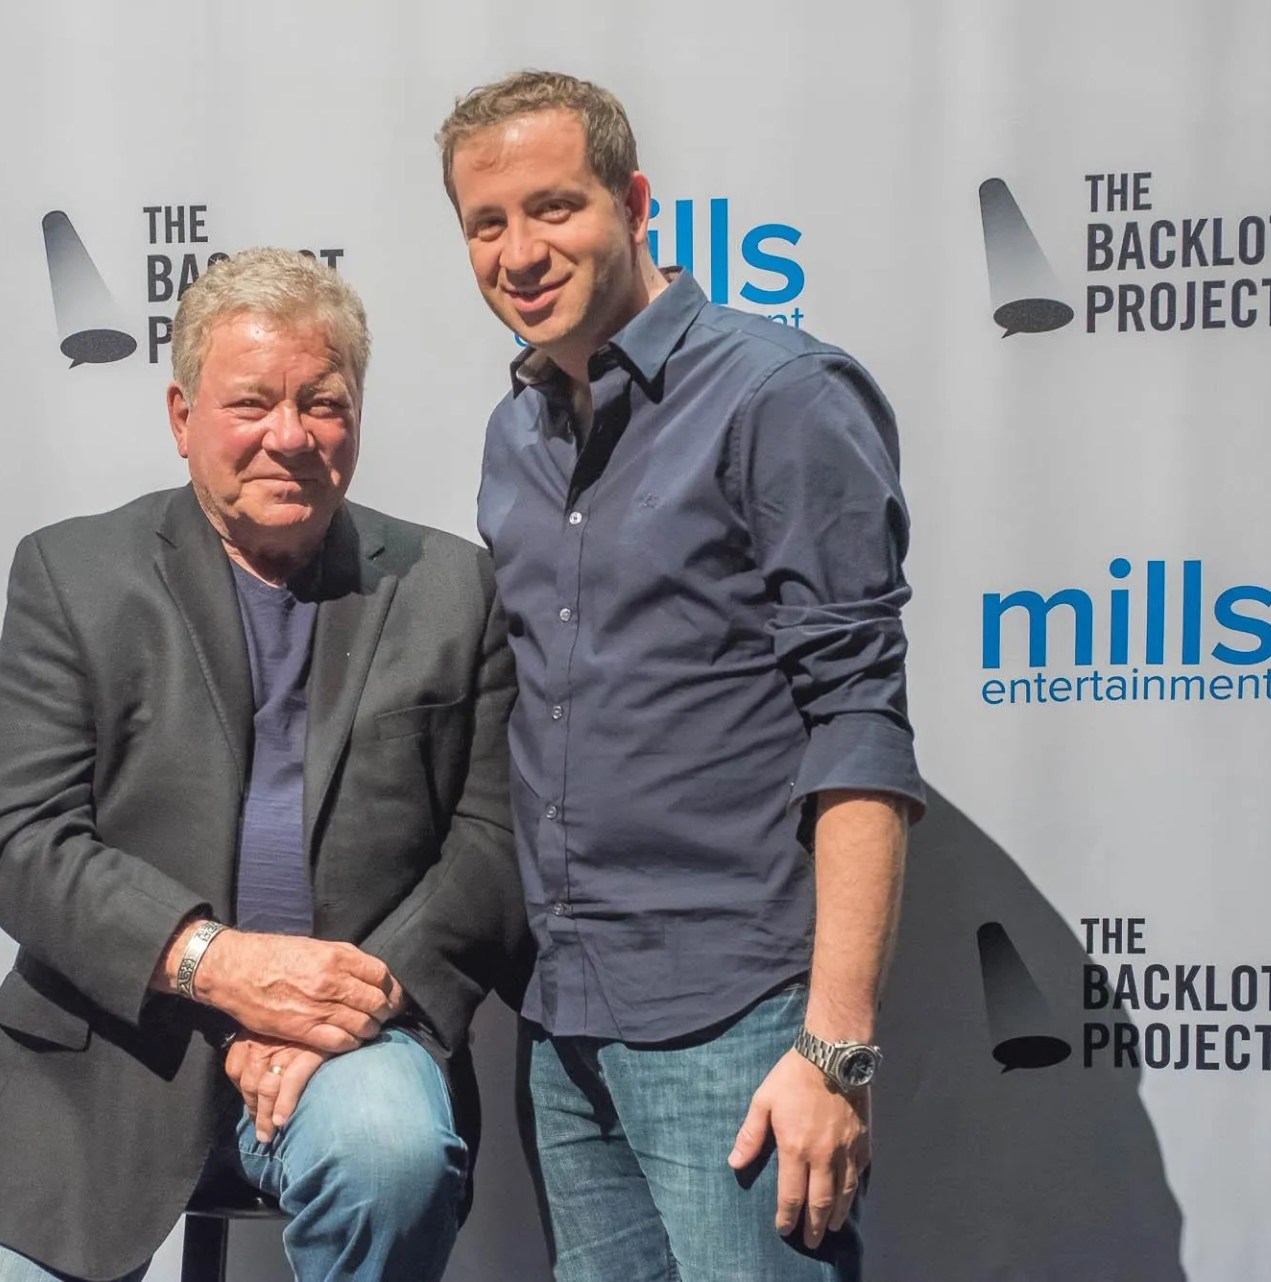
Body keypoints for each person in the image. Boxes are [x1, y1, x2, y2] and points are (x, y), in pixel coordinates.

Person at [0, 247, 529, 1282]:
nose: (289, 436)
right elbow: (21, 842)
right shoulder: (72, 576)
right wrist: (224, 966)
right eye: (251, 402)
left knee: (390, 1151)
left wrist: (342, 1004)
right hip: (112, 1042)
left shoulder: (454, 588)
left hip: (354, 1041)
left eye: (324, 401)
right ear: (181, 416)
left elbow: (490, 846)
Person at [437, 72, 925, 1282]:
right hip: (562, 1022)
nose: (520, 251)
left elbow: (858, 718)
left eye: (554, 207)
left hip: (739, 1019)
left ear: (636, 200)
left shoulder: (780, 394)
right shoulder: (515, 434)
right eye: (486, 224)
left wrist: (836, 1049)